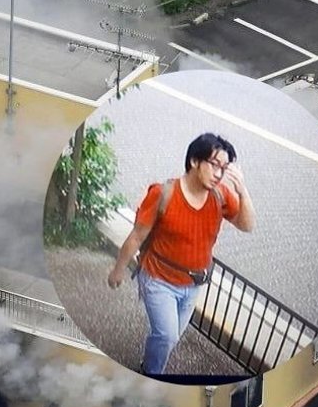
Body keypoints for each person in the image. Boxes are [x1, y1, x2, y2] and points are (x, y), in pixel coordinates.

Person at [107, 133, 256, 376]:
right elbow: (137, 235)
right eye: (214, 165)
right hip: (158, 279)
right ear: (195, 161)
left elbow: (247, 225)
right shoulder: (163, 194)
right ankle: (151, 374)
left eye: (224, 168)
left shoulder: (220, 195)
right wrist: (118, 270)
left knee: (171, 337)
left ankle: (151, 364)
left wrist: (243, 190)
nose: (219, 174)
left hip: (194, 284)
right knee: (166, 335)